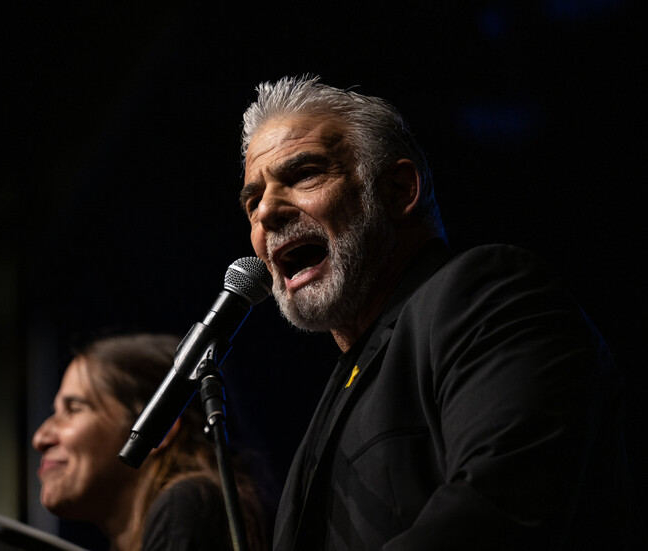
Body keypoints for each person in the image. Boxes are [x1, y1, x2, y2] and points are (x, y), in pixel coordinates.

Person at [237, 75, 645, 550]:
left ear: (398, 190)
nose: (266, 212)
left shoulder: (488, 293)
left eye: (304, 174)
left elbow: (494, 511)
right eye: (252, 201)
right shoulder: (337, 393)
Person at [32, 333, 268, 551]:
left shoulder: (185, 505)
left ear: (160, 429)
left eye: (74, 409)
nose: (39, 439)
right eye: (56, 412)